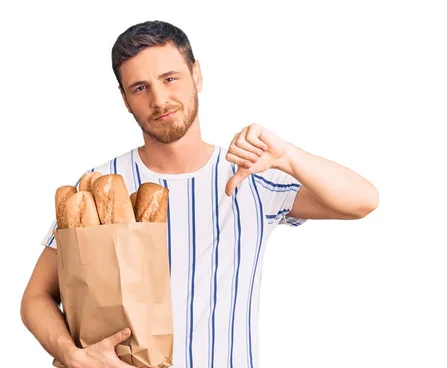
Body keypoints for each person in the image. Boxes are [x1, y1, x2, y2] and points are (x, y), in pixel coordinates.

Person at [20, 20, 379, 368]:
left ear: (197, 75)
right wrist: (72, 355)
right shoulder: (99, 186)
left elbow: (362, 201)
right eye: (140, 88)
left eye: (170, 78)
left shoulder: (251, 177)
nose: (159, 99)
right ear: (125, 99)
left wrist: (288, 157)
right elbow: (37, 296)